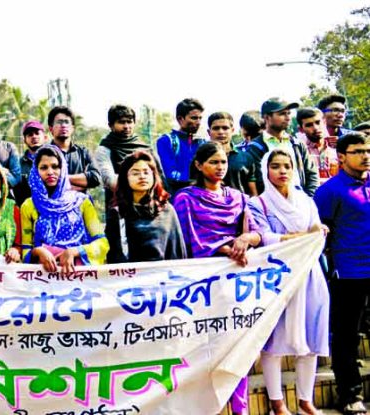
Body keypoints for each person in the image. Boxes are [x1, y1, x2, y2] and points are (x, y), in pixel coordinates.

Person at [172, 142, 262, 415]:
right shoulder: (185, 198)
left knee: (239, 347)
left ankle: (240, 408)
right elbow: (189, 241)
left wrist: (245, 238)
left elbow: (257, 232)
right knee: (205, 349)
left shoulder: (239, 197)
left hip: (237, 284)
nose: (220, 167)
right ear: (199, 165)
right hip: (203, 286)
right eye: (213, 162)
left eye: (223, 162)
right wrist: (227, 247)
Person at [248, 148, 328, 415]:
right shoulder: (258, 203)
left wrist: (312, 233)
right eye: (276, 166)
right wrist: (297, 237)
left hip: (309, 272)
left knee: (311, 339)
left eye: (287, 165)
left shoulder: (306, 201)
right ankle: (277, 403)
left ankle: (306, 401)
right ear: (265, 170)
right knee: (274, 343)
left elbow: (316, 230)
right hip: (277, 277)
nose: (282, 171)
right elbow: (263, 237)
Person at [315, 132, 370, 415]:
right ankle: (350, 395)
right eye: (358, 151)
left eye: (368, 150)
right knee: (347, 337)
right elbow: (319, 235)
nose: (366, 155)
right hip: (348, 273)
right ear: (341, 156)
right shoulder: (330, 191)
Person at [21, 145, 108, 273]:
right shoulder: (29, 206)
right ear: (36, 172)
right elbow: (25, 251)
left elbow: (102, 243)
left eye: (55, 166)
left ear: (63, 169)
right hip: (43, 277)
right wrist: (38, 251)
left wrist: (75, 251)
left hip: (78, 274)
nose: (50, 172)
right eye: (44, 168)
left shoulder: (81, 202)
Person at [106, 150, 186, 263]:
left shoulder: (167, 210)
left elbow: (177, 252)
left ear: (154, 176)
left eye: (146, 172)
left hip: (164, 276)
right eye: (135, 173)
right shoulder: (117, 213)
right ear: (125, 178)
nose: (142, 176)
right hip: (131, 277)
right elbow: (114, 255)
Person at [95, 104, 164, 211]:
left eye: (130, 122)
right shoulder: (105, 149)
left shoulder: (145, 148)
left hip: (150, 206)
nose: (127, 126)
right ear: (111, 125)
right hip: (120, 208)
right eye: (121, 122)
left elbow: (159, 177)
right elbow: (110, 180)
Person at [246, 98, 319, 196]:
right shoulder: (255, 148)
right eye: (282, 114)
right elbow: (257, 180)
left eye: (288, 113)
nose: (288, 117)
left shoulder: (297, 144)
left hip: (300, 203)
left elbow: (311, 174)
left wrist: (308, 199)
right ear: (267, 117)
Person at [156, 98, 207, 192]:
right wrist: (196, 181)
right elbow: (169, 172)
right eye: (194, 118)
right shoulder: (166, 141)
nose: (198, 122)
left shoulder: (203, 143)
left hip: (201, 194)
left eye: (200, 118)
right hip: (175, 194)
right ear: (180, 119)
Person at [47, 106, 101, 193]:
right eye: (59, 122)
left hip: (80, 204)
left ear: (72, 128)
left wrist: (62, 178)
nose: (63, 125)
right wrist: (80, 184)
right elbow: (40, 181)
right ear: (51, 129)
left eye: (66, 122)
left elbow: (95, 178)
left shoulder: (83, 152)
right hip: (51, 205)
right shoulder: (43, 154)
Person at [208, 112, 258, 196]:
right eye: (216, 128)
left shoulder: (246, 158)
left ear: (232, 130)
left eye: (225, 128)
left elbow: (253, 193)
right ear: (209, 132)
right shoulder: (201, 158)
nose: (221, 132)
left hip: (239, 207)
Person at [297, 107, 338, 185]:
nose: (315, 128)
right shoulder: (300, 151)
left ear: (324, 122)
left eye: (318, 122)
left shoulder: (336, 146)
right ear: (301, 129)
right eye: (309, 125)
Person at [14, 120, 47, 206]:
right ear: (24, 140)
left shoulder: (56, 160)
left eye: (37, 133)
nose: (34, 136)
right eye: (30, 135)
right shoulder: (18, 165)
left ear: (45, 137)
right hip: (27, 213)